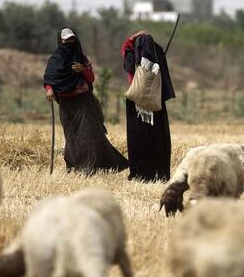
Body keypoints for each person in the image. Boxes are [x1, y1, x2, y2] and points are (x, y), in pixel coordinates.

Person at [43, 28, 127, 174]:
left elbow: (91, 78)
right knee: (72, 135)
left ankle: (90, 165)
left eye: (71, 39)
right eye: (66, 40)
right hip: (66, 104)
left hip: (83, 102)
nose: (69, 42)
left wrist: (82, 69)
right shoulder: (55, 60)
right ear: (60, 41)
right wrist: (49, 89)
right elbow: (49, 78)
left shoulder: (82, 58)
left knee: (89, 134)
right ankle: (74, 165)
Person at [121, 30, 175, 181]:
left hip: (137, 102)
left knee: (139, 139)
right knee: (158, 139)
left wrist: (132, 39)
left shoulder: (134, 58)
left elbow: (126, 58)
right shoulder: (158, 57)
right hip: (157, 103)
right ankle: (159, 173)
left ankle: (141, 174)